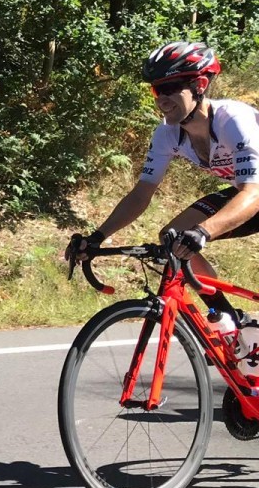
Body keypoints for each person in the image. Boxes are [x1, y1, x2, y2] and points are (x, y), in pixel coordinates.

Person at [66, 41, 259, 328]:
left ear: (200, 84)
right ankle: (232, 323)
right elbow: (143, 192)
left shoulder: (233, 120)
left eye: (170, 89)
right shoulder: (168, 134)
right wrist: (98, 237)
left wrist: (204, 231)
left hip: (253, 192)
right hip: (250, 191)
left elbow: (252, 193)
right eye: (157, 90)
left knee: (193, 234)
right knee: (174, 236)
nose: (162, 99)